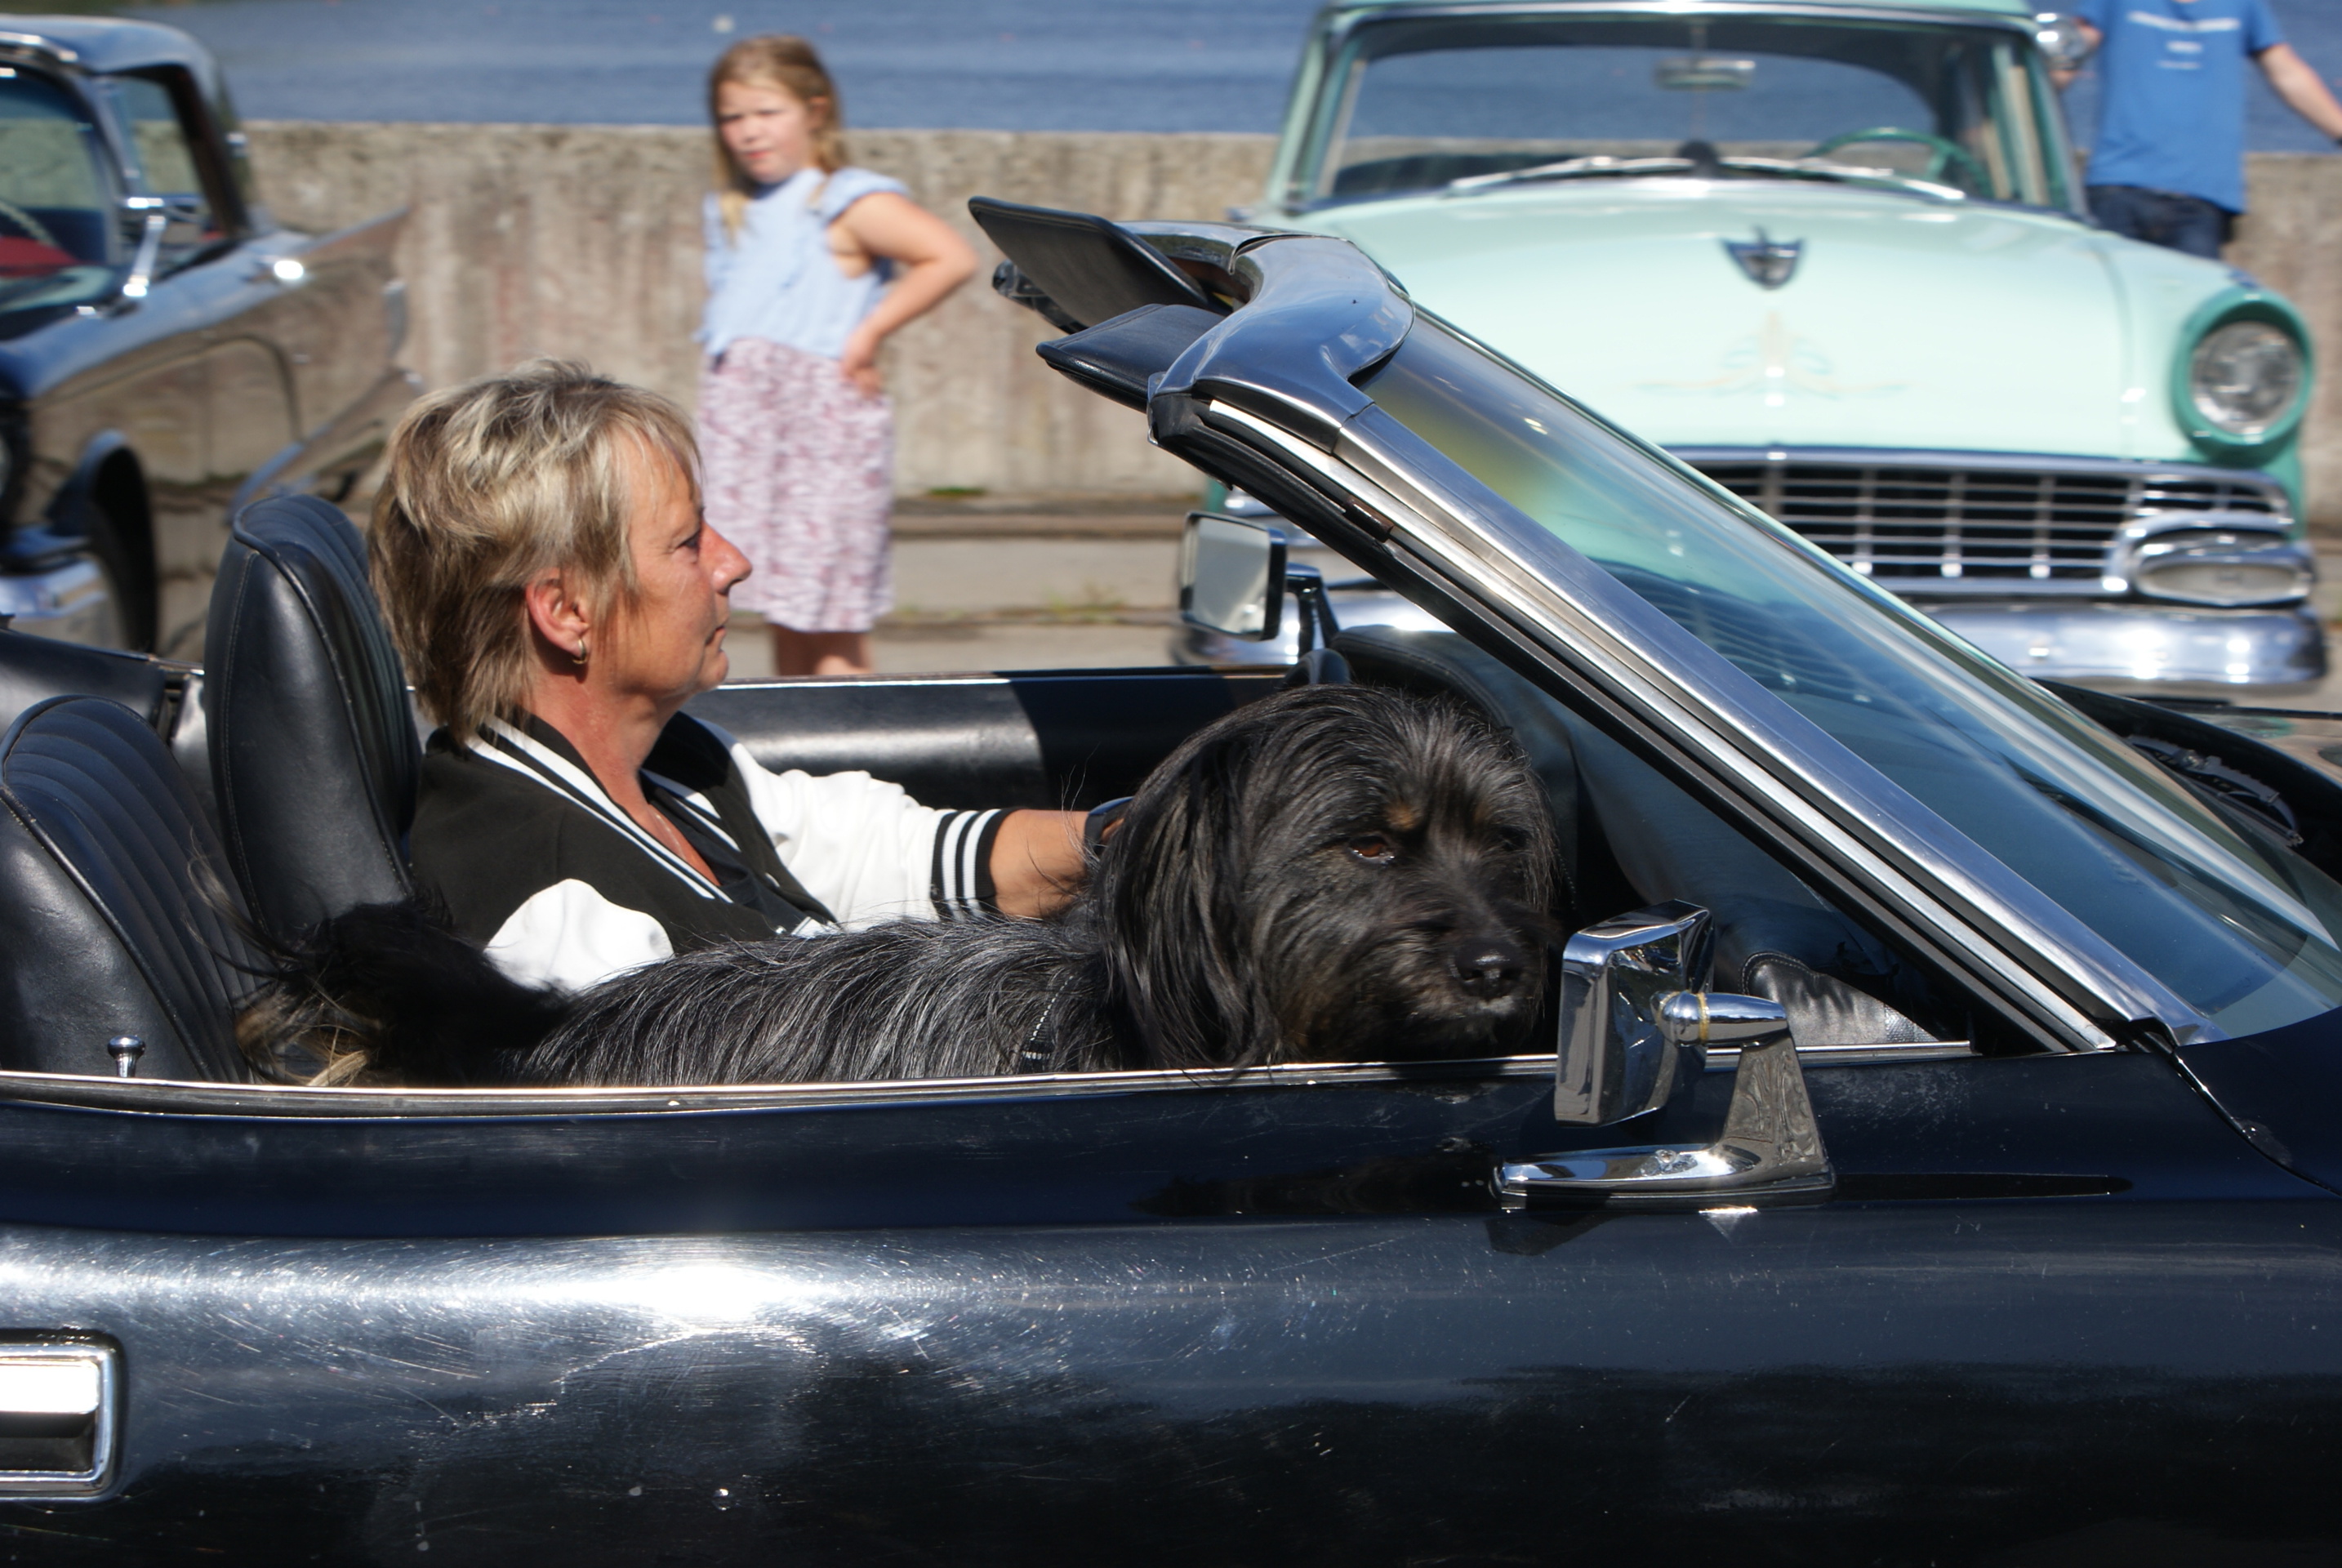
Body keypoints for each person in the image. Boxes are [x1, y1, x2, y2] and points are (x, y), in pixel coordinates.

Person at [371, 360, 1087, 994]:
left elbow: (871, 854)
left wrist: (1120, 840)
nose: (734, 563)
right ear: (567, 611)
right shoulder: (559, 911)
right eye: (688, 543)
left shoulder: (671, 765)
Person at [697, 35, 977, 677]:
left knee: (831, 610)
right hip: (750, 435)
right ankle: (802, 724)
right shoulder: (734, 206)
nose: (749, 131)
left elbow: (949, 256)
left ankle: (851, 727)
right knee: (784, 604)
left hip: (819, 434)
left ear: (815, 111)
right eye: (733, 117)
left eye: (768, 113)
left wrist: (865, 334)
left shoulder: (843, 198)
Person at [2068, 0, 2342, 258]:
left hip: (2200, 201)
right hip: (2118, 190)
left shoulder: (2242, 5)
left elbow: (2286, 73)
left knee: (2197, 293)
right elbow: (2066, 55)